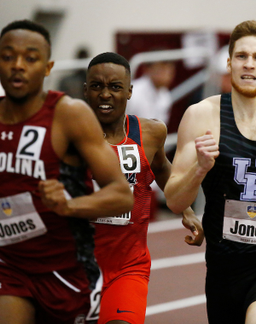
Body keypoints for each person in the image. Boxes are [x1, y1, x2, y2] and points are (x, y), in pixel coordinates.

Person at [0, 20, 133, 324]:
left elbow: (121, 194)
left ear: (48, 67)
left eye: (31, 58)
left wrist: (69, 205)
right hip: (4, 264)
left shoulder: (69, 114)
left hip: (63, 270)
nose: (18, 66)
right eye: (8, 57)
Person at [164, 20, 256, 324]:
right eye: (241, 56)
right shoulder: (202, 116)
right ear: (229, 62)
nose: (248, 65)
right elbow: (174, 200)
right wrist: (199, 169)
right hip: (223, 268)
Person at [84, 52, 203, 324]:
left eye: (115, 87)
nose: (105, 94)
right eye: (97, 86)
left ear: (129, 91)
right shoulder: (66, 136)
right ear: (85, 90)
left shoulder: (149, 133)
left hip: (128, 266)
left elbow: (161, 167)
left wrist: (185, 209)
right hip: (74, 266)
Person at [126, 58, 175, 125]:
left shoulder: (165, 95)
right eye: (162, 70)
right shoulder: (133, 93)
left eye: (169, 70)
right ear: (148, 69)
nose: (166, 75)